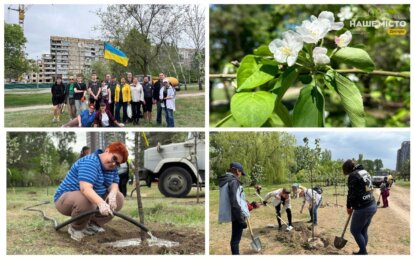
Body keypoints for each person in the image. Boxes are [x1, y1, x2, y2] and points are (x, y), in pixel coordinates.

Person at [54, 142, 129, 241]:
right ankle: (76, 228)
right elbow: (85, 189)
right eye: (114, 158)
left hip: (89, 198)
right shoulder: (91, 162)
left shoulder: (112, 167)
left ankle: (92, 225)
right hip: (65, 199)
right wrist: (101, 203)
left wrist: (113, 194)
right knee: (87, 201)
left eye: (118, 163)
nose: (114, 164)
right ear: (107, 151)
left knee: (118, 198)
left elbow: (114, 183)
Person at [342, 160, 377, 255]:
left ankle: (363, 252)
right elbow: (363, 188)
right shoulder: (364, 172)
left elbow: (351, 194)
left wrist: (349, 206)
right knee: (363, 230)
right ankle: (362, 250)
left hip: (363, 207)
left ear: (347, 169)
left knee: (355, 230)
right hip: (372, 204)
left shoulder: (353, 175)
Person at [218, 162, 249, 255]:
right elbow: (235, 202)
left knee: (234, 240)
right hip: (236, 214)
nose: (240, 175)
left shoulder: (226, 180)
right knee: (235, 241)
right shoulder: (233, 181)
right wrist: (241, 220)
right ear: (236, 170)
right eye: (240, 172)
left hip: (233, 213)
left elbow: (237, 199)